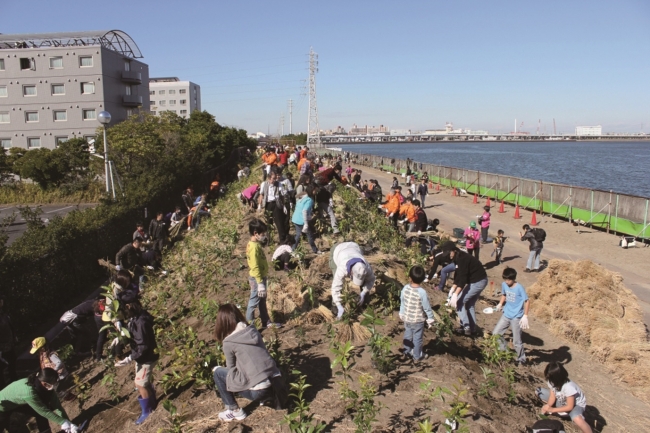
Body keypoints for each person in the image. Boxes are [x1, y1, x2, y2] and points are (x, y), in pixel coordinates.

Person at [212, 304, 283, 422]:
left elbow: (231, 371)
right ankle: (267, 397)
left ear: (222, 323)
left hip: (260, 391)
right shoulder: (252, 330)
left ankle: (234, 411)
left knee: (219, 373)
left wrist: (219, 369)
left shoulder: (228, 342)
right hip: (277, 382)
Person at [114, 300, 159, 425]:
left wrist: (129, 358)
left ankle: (147, 410)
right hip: (142, 357)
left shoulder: (140, 322)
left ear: (128, 306)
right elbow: (135, 336)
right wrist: (122, 335)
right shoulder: (136, 318)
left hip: (146, 358)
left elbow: (143, 346)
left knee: (140, 384)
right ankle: (152, 400)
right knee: (144, 382)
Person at [0, 368, 81, 433]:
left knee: (39, 415)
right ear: (44, 383)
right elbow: (43, 411)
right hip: (2, 405)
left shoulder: (47, 387)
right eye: (53, 383)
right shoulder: (29, 392)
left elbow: (58, 406)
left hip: (18, 402)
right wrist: (63, 422)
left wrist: (69, 424)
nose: (54, 386)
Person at [444, 241, 489, 336]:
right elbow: (458, 275)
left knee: (459, 302)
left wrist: (456, 294)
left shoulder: (462, 259)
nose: (449, 256)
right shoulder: (457, 257)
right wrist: (453, 288)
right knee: (469, 304)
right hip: (479, 280)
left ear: (453, 251)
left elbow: (463, 279)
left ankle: (466, 327)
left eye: (449, 254)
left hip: (478, 281)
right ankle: (472, 329)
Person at [536, 362, 592, 433]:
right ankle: (562, 412)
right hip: (562, 401)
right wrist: (548, 406)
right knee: (539, 391)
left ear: (557, 378)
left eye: (550, 379)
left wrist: (552, 409)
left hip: (575, 406)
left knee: (577, 418)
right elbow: (552, 397)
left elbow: (570, 406)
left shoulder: (568, 387)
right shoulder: (551, 382)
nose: (549, 381)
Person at [246, 219, 282, 329]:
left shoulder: (254, 244)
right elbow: (255, 266)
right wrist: (260, 283)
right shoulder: (253, 247)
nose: (264, 236)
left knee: (262, 301)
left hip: (260, 278)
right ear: (255, 233)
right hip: (257, 279)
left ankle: (266, 321)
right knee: (253, 302)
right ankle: (249, 327)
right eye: (262, 234)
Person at [491, 267, 530, 364]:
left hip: (516, 316)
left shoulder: (519, 288)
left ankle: (521, 359)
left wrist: (525, 316)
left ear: (513, 279)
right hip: (506, 313)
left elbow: (527, 301)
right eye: (505, 279)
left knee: (517, 341)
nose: (507, 282)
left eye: (509, 280)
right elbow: (504, 294)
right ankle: (505, 351)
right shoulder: (504, 284)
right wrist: (500, 304)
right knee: (496, 333)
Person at [329, 242, 376, 319]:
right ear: (351, 272)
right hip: (337, 250)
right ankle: (336, 307)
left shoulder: (366, 267)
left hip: (353, 246)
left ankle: (364, 301)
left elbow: (371, 279)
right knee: (336, 279)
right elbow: (335, 288)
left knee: (364, 281)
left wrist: (363, 293)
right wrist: (338, 305)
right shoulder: (342, 268)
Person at [399, 266, 435, 363]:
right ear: (423, 279)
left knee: (407, 335)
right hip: (418, 320)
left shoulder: (405, 288)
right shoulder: (422, 292)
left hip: (407, 318)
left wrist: (401, 312)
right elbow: (427, 307)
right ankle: (417, 355)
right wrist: (430, 318)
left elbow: (402, 301)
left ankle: (406, 352)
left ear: (409, 277)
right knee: (418, 338)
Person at [258, 170, 291, 244]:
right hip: (268, 205)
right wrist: (259, 205)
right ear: (269, 178)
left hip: (276, 204)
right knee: (269, 223)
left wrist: (284, 206)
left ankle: (282, 240)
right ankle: (269, 240)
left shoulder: (278, 184)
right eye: (273, 178)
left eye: (275, 178)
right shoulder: (264, 184)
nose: (275, 180)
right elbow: (261, 194)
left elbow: (282, 196)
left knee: (279, 222)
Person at [292, 185, 321, 254]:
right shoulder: (309, 200)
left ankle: (292, 250)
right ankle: (315, 250)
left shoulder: (303, 196)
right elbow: (304, 211)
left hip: (295, 218)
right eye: (315, 190)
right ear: (312, 190)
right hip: (300, 220)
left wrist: (309, 216)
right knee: (309, 235)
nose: (316, 191)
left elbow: (300, 207)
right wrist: (305, 223)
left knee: (298, 235)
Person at [0, 295, 18, 390]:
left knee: (12, 366)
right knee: (6, 370)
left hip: (10, 345)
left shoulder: (4, 314)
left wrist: (14, 336)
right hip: (2, 349)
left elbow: (9, 326)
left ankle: (16, 385)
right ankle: (10, 389)